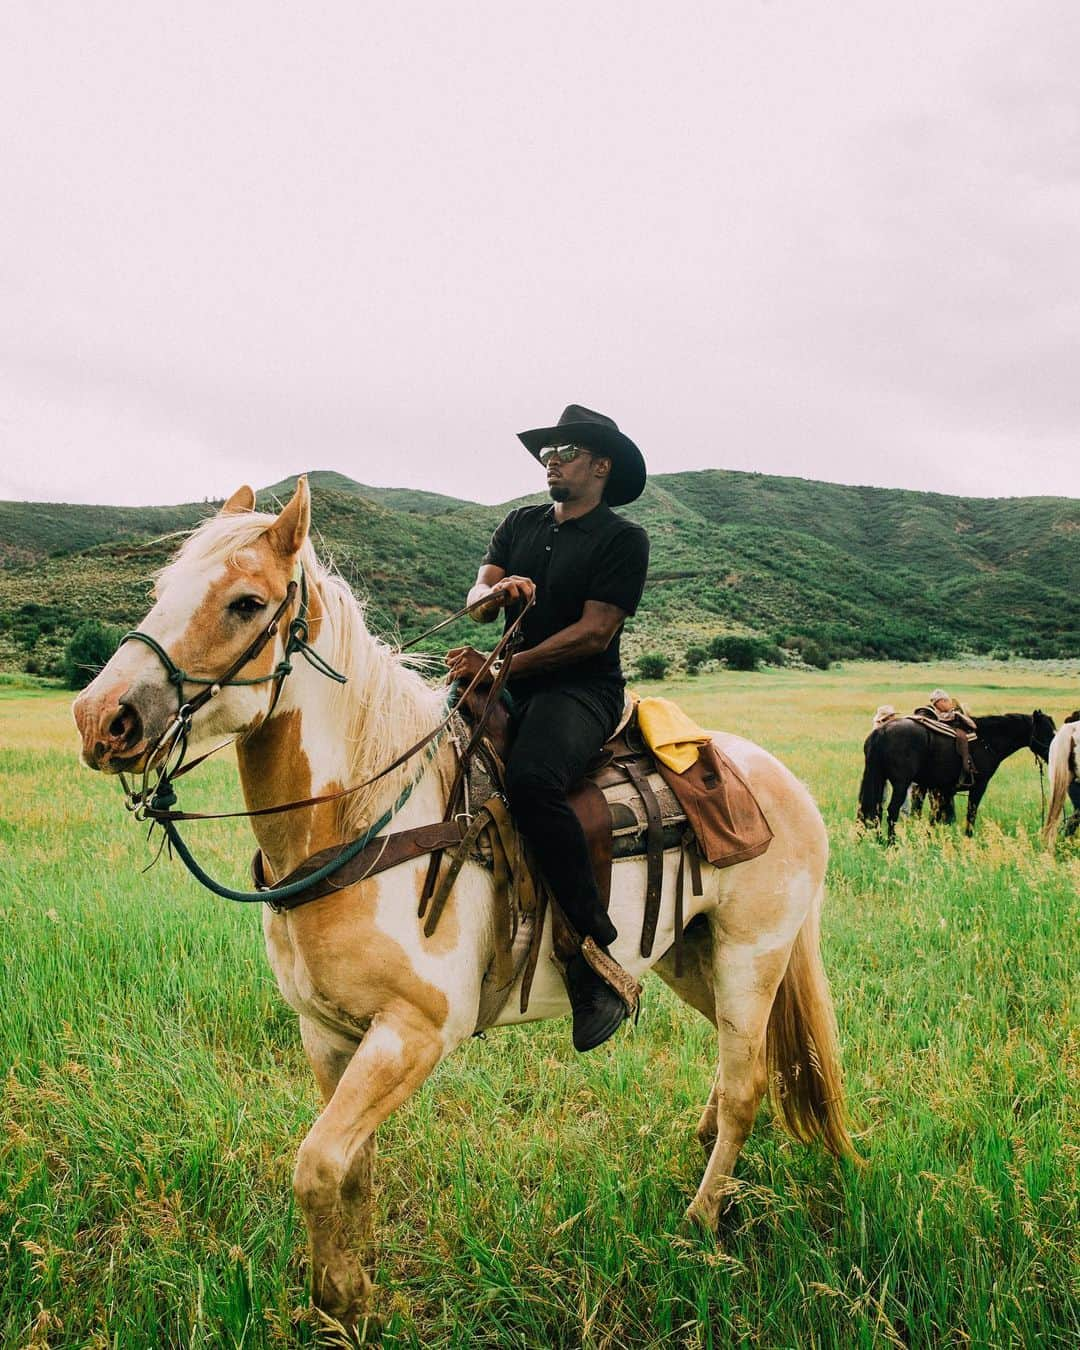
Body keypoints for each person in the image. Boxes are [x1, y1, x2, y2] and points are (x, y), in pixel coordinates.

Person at [446, 405, 650, 1051]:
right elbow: (475, 602)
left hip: (580, 689)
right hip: (502, 676)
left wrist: (502, 667)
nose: (550, 459)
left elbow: (596, 633)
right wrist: (497, 597)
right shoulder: (519, 524)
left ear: (600, 464)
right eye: (545, 451)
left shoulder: (624, 539)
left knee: (534, 781)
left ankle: (591, 957)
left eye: (565, 450)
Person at [928, 688, 978, 786]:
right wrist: (957, 714)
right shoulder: (954, 715)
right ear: (942, 701)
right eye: (947, 701)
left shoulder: (931, 714)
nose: (950, 704)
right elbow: (973, 725)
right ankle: (965, 765)